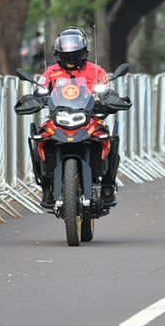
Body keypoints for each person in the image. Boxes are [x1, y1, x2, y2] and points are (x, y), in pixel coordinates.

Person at [34, 27, 122, 208]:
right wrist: (36, 97)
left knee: (109, 139)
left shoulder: (97, 71)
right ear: (58, 53)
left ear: (84, 51)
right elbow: (40, 90)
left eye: (75, 53)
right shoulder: (50, 72)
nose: (71, 58)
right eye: (67, 54)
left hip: (90, 120)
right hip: (58, 120)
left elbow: (107, 88)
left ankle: (107, 185)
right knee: (39, 138)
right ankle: (46, 187)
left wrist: (110, 98)